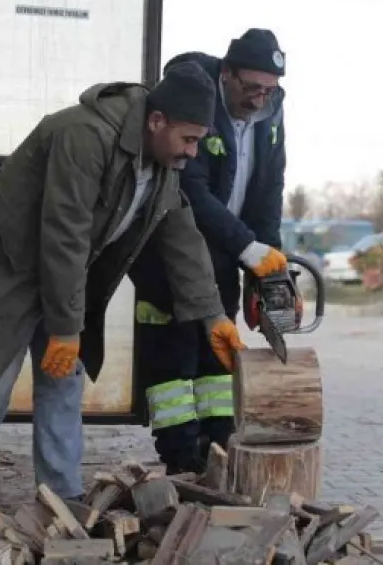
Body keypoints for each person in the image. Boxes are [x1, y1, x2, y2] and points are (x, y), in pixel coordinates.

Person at [0, 62, 246, 506]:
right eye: (188, 139)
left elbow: (181, 236)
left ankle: (60, 495)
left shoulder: (161, 163)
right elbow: (65, 232)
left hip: (62, 275)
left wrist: (213, 316)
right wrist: (64, 328)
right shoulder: (85, 135)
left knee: (63, 382)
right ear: (156, 121)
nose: (193, 151)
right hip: (8, 270)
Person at [130, 28, 289, 473]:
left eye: (270, 90)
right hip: (170, 260)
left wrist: (268, 265)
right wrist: (248, 246)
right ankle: (181, 465)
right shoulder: (197, 103)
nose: (259, 99)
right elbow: (188, 191)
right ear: (227, 72)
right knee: (173, 372)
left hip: (226, 258)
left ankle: (217, 457)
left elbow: (268, 191)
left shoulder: (269, 117)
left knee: (217, 363)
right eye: (251, 87)